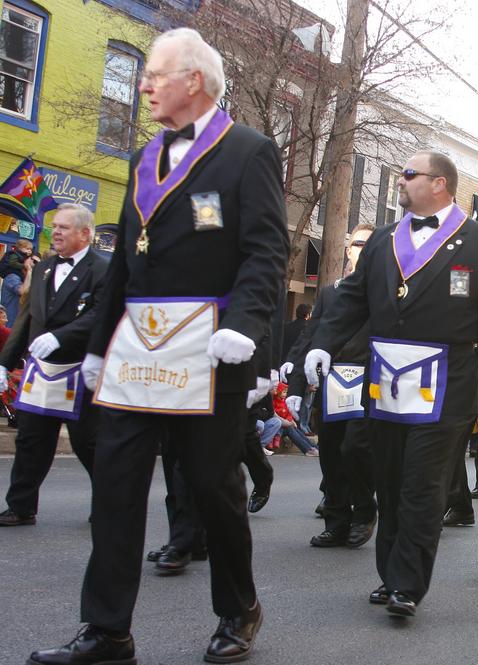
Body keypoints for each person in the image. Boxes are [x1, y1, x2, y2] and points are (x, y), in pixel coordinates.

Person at [29, 28, 288, 665]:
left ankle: (238, 608)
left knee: (210, 488)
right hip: (135, 353)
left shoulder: (249, 152)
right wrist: (96, 343)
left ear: (193, 80)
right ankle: (107, 631)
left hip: (207, 352)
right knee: (115, 488)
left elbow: (265, 251)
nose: (144, 87)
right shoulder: (145, 155)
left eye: (155, 75)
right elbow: (124, 263)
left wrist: (247, 326)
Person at [304, 150, 478, 618]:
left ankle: (408, 583)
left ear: (439, 183)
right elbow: (352, 303)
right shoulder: (384, 241)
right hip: (387, 383)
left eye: (407, 175)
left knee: (422, 486)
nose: (399, 182)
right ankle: (390, 573)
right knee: (389, 481)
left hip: (448, 386)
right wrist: (322, 343)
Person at [0, 204, 108, 528]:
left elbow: (101, 314)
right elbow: (28, 317)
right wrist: (4, 364)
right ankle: (20, 506)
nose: (56, 232)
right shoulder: (45, 267)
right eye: (54, 227)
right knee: (31, 439)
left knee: (87, 443)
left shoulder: (102, 270)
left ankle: (108, 504)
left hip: (81, 369)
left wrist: (61, 336)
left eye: (63, 227)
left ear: (85, 233)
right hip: (42, 371)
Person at [285, 225, 378, 548]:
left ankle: (365, 511)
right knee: (332, 454)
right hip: (333, 380)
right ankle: (336, 520)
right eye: (357, 243)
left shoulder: (383, 291)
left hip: (368, 380)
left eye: (369, 243)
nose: (361, 248)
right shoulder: (330, 292)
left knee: (356, 447)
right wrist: (295, 381)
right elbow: (311, 338)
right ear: (348, 248)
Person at [0, 238, 35, 324]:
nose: (29, 251)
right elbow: (22, 291)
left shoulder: (21, 276)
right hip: (10, 320)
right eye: (27, 249)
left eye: (30, 249)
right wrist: (27, 268)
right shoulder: (13, 276)